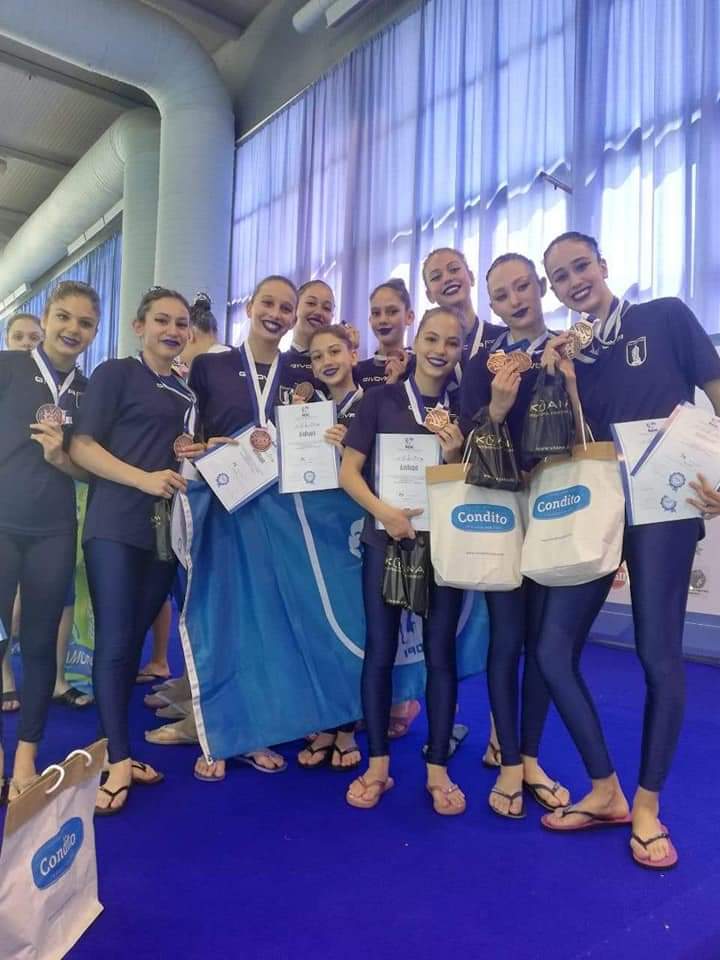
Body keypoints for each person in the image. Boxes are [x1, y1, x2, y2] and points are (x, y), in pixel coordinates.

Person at [537, 231, 720, 869]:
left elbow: (716, 389)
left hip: (666, 507)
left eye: (580, 267)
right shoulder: (569, 354)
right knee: (552, 649)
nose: (574, 282)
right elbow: (574, 436)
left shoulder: (664, 316)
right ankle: (605, 789)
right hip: (599, 506)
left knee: (657, 655)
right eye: (561, 277)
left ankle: (646, 806)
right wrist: (563, 378)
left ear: (603, 265)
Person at [70, 287, 199, 815]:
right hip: (114, 525)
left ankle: (111, 749)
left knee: (131, 645)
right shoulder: (116, 374)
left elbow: (181, 457)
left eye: (181, 323)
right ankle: (120, 760)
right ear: (139, 326)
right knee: (115, 640)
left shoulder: (186, 394)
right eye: (162, 320)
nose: (172, 330)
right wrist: (143, 479)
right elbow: (82, 446)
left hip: (162, 534)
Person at [340, 306, 468, 815]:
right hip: (384, 541)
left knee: (441, 656)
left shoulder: (465, 406)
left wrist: (455, 457)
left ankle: (438, 768)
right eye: (432, 339)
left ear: (461, 350)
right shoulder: (381, 399)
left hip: (443, 546)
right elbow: (349, 473)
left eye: (452, 342)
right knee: (380, 651)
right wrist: (385, 514)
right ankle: (377, 766)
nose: (440, 350)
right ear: (417, 339)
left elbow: (473, 485)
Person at [460, 253, 570, 818]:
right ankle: (506, 762)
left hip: (558, 512)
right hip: (503, 513)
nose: (515, 300)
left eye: (523, 286)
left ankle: (528, 757)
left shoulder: (570, 349)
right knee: (506, 640)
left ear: (541, 286)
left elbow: (589, 431)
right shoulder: (482, 364)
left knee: (545, 645)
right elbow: (465, 449)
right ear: (492, 306)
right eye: (502, 295)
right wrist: (497, 410)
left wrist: (564, 377)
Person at [188, 275, 307, 781]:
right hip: (224, 507)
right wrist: (201, 447)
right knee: (221, 620)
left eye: (285, 308)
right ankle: (216, 734)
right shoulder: (209, 365)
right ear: (250, 306)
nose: (275, 314)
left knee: (267, 624)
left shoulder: (301, 371)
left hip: (279, 515)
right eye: (268, 304)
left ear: (294, 317)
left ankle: (256, 731)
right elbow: (187, 435)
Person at [0, 281, 99, 800]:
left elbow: (91, 471)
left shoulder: (90, 390)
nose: (72, 329)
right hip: (2, 523)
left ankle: (25, 758)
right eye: (64, 317)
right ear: (46, 318)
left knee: (40, 646)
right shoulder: (8, 367)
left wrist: (64, 460)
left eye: (85, 323)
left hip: (55, 531)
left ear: (95, 331)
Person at [423, 247, 506, 380]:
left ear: (471, 277)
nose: (447, 278)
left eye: (454, 269)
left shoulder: (503, 338)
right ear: (429, 295)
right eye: (436, 277)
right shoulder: (425, 354)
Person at [354, 279, 415, 393]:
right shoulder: (357, 370)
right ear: (370, 320)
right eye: (376, 313)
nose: (382, 320)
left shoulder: (420, 367)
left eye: (392, 312)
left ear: (409, 317)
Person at [286, 280, 335, 379]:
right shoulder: (276, 362)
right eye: (311, 303)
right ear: (294, 308)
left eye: (326, 308)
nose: (318, 312)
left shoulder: (337, 368)